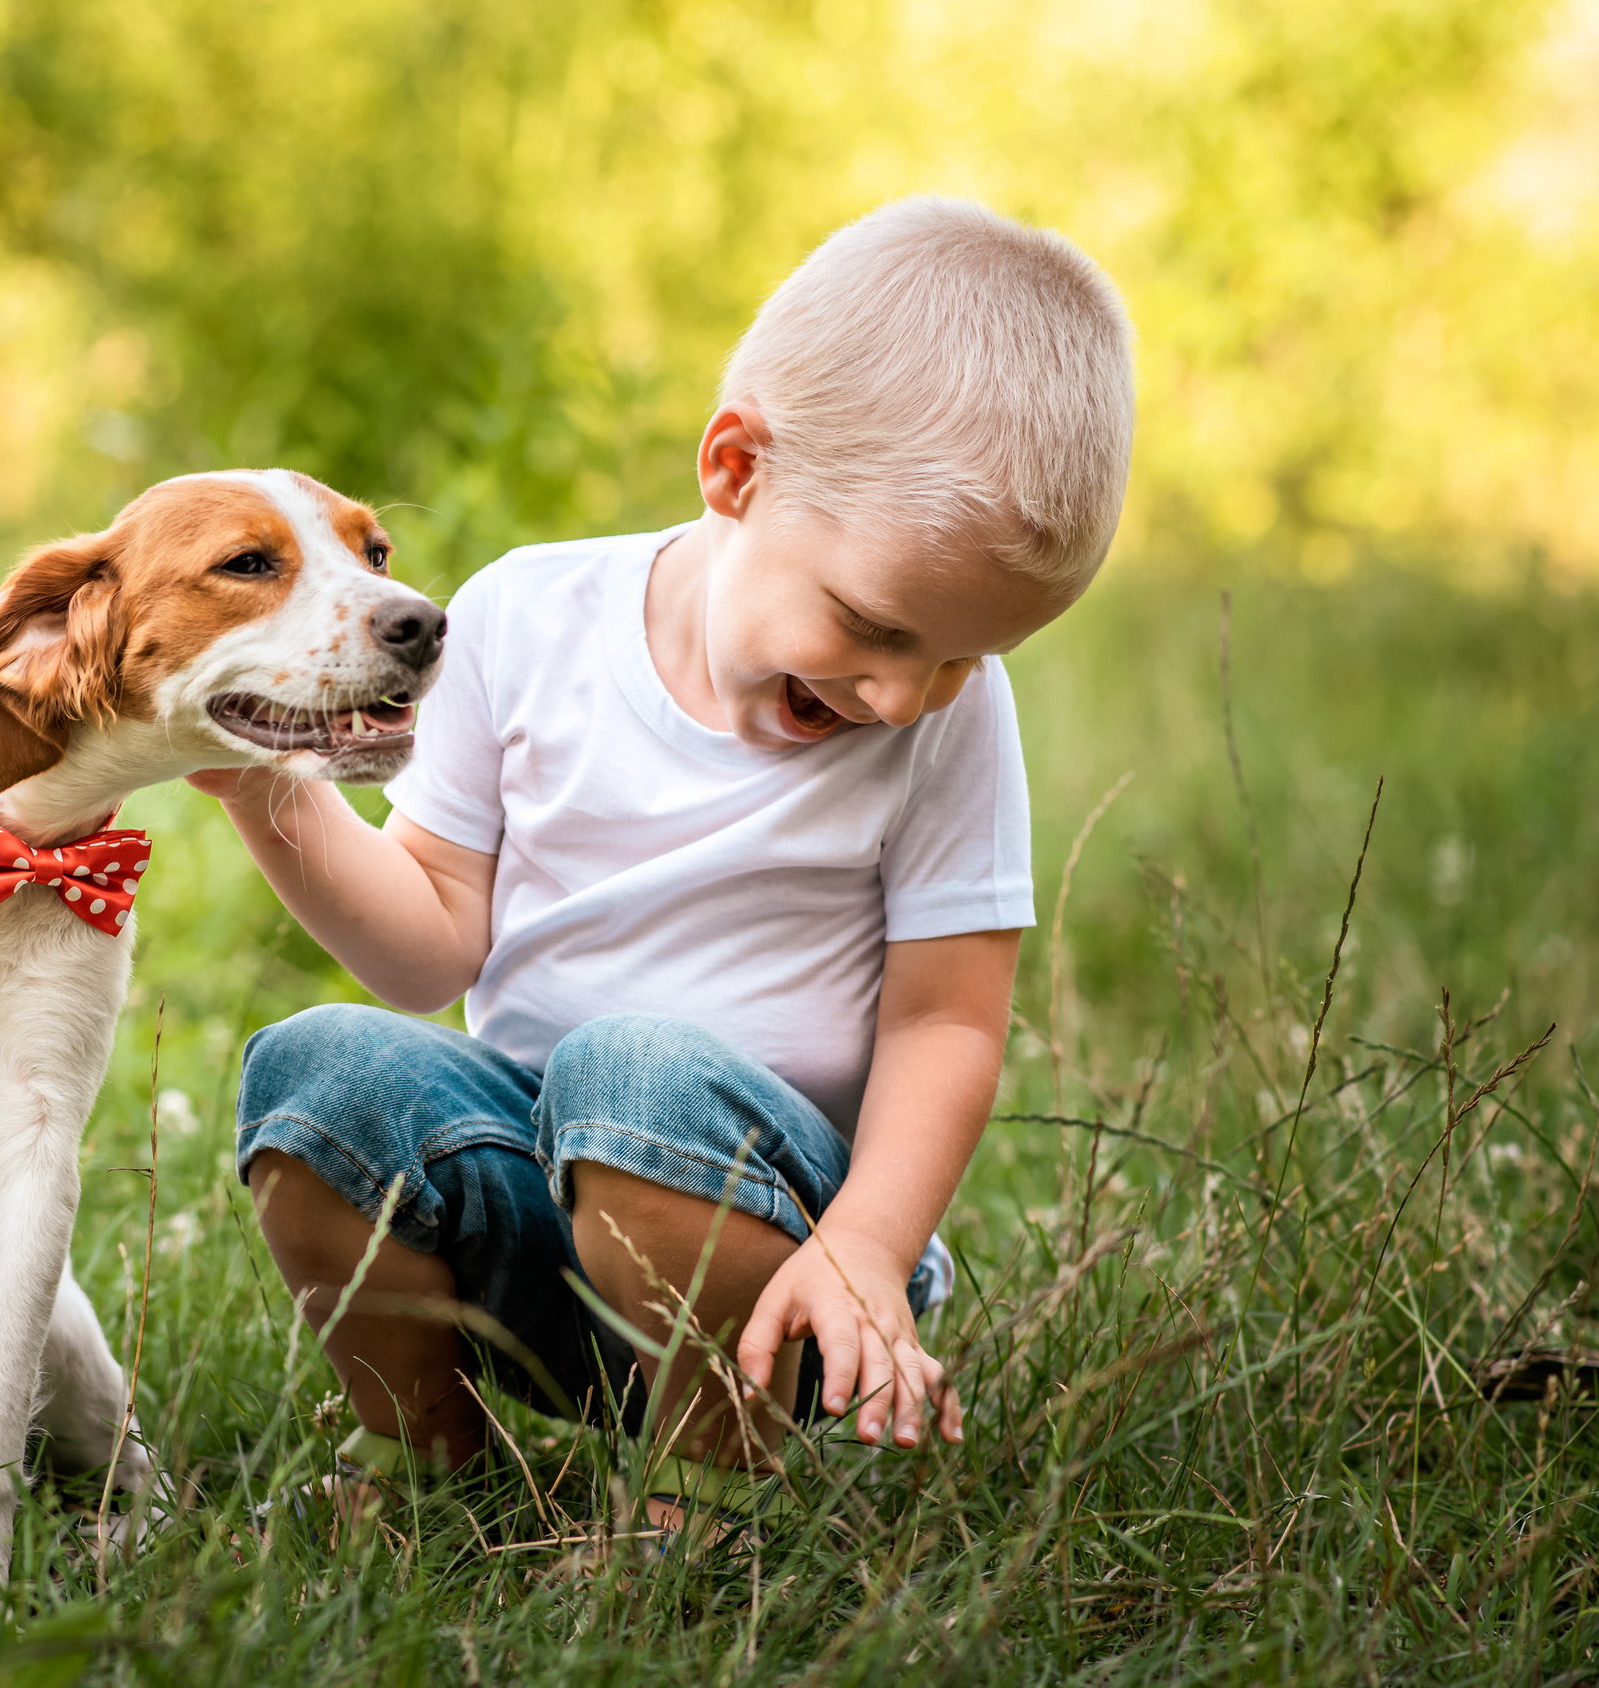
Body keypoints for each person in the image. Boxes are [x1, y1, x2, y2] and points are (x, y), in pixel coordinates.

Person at [190, 196, 1137, 1521]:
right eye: (872, 627)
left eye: (961, 656)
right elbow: (427, 946)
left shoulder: (947, 725)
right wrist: (268, 792)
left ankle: (711, 1494)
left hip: (788, 1272)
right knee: (319, 1069)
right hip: (529, 1219)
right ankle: (427, 1459)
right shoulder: (529, 617)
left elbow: (948, 1022)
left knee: (633, 1068)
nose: (902, 695)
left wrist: (870, 1250)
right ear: (735, 470)